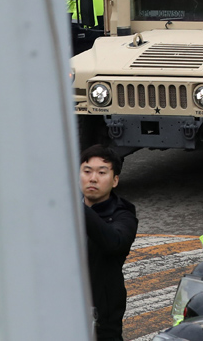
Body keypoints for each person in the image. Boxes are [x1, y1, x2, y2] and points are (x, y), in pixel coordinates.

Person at [80, 144, 137, 341]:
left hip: (102, 317)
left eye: (101, 172)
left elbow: (114, 242)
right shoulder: (62, 207)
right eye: (87, 171)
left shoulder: (123, 215)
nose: (93, 178)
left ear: (115, 180)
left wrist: (78, 208)